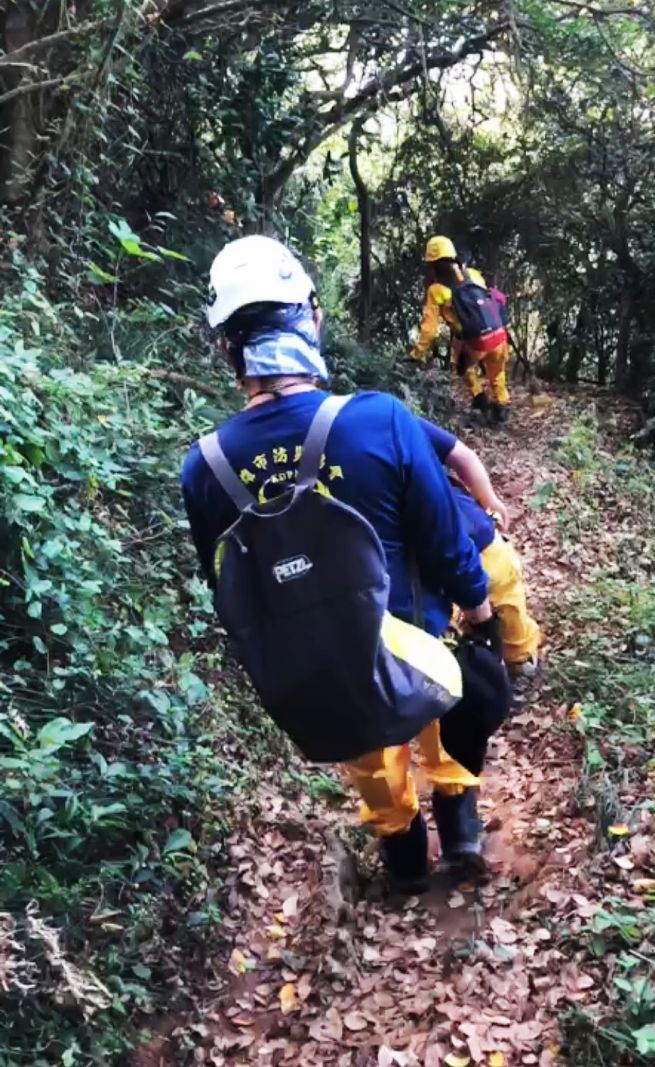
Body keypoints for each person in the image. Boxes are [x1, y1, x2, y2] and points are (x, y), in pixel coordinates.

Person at [181, 235, 508, 892]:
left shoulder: (205, 468)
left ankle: (405, 862)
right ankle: (462, 830)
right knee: (442, 716)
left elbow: (228, 590)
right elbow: (446, 537)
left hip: (324, 671)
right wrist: (478, 610)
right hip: (416, 637)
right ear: (313, 319)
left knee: (373, 761)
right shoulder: (378, 420)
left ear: (226, 350)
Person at [419, 419, 542, 678]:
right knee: (506, 597)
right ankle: (519, 660)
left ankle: (469, 670)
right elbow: (463, 457)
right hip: (473, 532)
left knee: (442, 620)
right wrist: (490, 501)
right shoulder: (391, 418)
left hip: (421, 560)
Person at [410, 235, 510, 423]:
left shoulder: (436, 290)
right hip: (499, 334)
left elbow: (429, 330)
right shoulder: (473, 274)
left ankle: (479, 398)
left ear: (432, 265)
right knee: (497, 372)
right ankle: (502, 407)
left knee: (464, 367)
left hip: (475, 342)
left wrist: (416, 355)